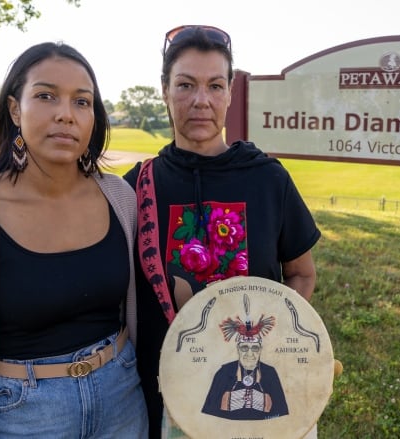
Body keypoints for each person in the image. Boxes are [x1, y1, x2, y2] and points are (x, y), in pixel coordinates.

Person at [0, 42, 148, 438]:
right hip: (24, 416)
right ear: (13, 109)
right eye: (45, 96)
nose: (65, 113)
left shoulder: (121, 198)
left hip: (123, 399)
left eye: (82, 101)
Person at [123, 25, 321, 438]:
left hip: (258, 395)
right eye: (185, 85)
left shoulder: (268, 179)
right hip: (164, 401)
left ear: (230, 92)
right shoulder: (135, 187)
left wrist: (279, 335)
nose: (201, 100)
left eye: (215, 85)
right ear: (164, 89)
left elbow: (301, 273)